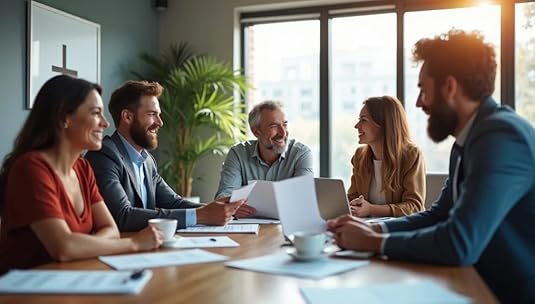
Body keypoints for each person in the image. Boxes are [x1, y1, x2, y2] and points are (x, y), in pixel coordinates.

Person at [327, 29, 535, 303]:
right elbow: (439, 214)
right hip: (476, 282)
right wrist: (376, 230)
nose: (418, 103)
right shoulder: (468, 140)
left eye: (423, 90)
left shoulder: (502, 138)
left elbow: (458, 242)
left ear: (449, 88)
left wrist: (372, 242)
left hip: (512, 294)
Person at [0, 75, 163, 274]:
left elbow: (111, 230)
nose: (105, 123)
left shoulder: (83, 168)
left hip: (71, 279)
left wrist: (81, 246)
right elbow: (64, 248)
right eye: (96, 113)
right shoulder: (31, 168)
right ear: (64, 118)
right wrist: (135, 244)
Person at [85, 80, 245, 232]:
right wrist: (201, 215)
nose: (160, 122)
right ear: (127, 117)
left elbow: (173, 202)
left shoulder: (147, 160)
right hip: (120, 252)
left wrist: (218, 209)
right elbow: (122, 216)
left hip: (150, 246)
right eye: (152, 114)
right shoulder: (104, 155)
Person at [214, 100, 313, 215]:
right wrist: (230, 206)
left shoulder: (301, 154)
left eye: (285, 124)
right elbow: (224, 196)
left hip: (286, 226)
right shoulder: (238, 153)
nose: (283, 133)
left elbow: (303, 200)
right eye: (274, 126)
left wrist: (235, 206)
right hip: (246, 228)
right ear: (256, 132)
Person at [347, 96, 425, 217]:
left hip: (399, 231)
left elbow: (414, 207)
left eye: (363, 120)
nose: (357, 126)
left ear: (384, 124)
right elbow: (352, 198)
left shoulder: (412, 156)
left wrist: (371, 209)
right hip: (366, 228)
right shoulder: (359, 157)